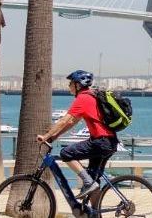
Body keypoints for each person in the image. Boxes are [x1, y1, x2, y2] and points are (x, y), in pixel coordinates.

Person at [36, 69, 116, 214]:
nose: (69, 86)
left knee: (66, 153)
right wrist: (54, 137)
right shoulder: (91, 97)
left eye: (71, 83)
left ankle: (87, 182)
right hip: (109, 142)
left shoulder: (83, 98)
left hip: (101, 142)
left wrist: (46, 136)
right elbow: (72, 122)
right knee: (94, 182)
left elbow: (65, 119)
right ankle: (94, 214)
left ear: (78, 85)